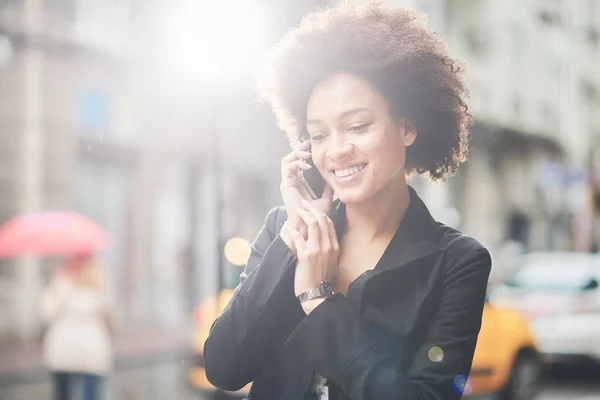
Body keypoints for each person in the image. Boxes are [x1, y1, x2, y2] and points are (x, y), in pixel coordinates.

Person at [204, 2, 492, 399]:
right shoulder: (282, 231)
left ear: (406, 127)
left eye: (357, 126)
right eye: (319, 135)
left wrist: (319, 301)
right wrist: (294, 240)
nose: (336, 150)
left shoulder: (457, 262)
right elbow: (224, 367)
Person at [39, 254, 114, 400]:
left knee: (62, 394)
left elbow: (46, 312)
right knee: (91, 394)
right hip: (92, 346)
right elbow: (109, 311)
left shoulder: (61, 280)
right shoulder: (100, 279)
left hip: (63, 346)